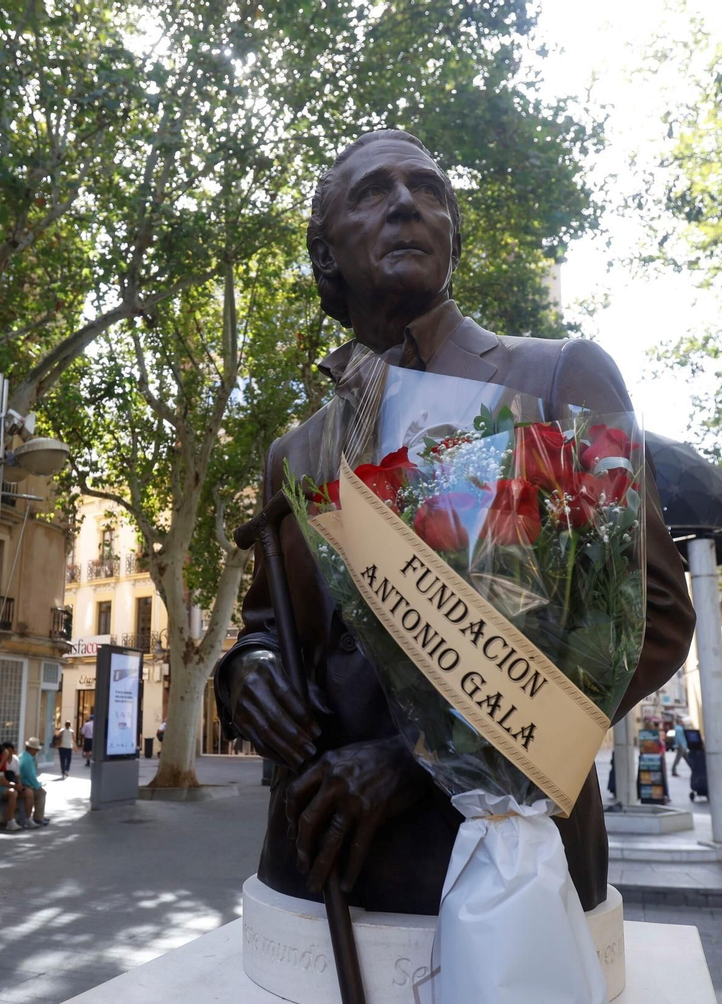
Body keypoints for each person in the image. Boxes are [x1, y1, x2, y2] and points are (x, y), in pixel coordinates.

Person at [215, 129, 695, 915]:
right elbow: (267, 627)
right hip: (315, 872)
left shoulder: (556, 376)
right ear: (327, 253)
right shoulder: (295, 453)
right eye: (373, 193)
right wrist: (249, 676)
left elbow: (657, 619)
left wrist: (422, 761)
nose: (408, 203)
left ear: (451, 238)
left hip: (506, 880)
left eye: (428, 190)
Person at [0, 743, 36, 831]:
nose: (9, 754)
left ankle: (29, 818)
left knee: (29, 792)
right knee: (12, 793)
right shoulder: (0, 761)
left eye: (11, 752)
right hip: (1, 787)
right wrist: (14, 786)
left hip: (13, 784)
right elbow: (1, 780)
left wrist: (19, 785)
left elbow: (18, 776)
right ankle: (10, 821)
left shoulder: (16, 760)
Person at [17, 738, 50, 826]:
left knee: (40, 791)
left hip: (25, 783)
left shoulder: (24, 756)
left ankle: (39, 816)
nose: (36, 751)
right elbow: (30, 775)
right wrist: (38, 786)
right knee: (41, 793)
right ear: (31, 749)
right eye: (36, 750)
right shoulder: (27, 759)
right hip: (25, 785)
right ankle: (38, 817)